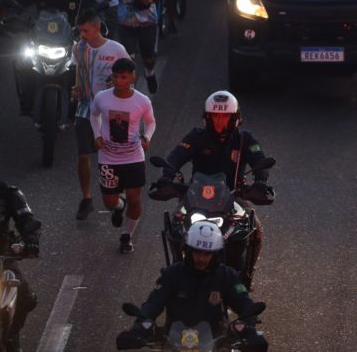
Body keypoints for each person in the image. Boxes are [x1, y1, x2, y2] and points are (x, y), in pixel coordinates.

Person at [158, 90, 274, 286]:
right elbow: (176, 156)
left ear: (235, 119)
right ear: (207, 118)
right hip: (195, 198)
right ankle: (175, 271)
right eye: (215, 116)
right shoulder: (196, 136)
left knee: (255, 229)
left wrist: (261, 182)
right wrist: (166, 177)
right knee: (175, 226)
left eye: (225, 117)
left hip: (233, 197)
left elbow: (260, 161)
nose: (219, 122)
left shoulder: (245, 139)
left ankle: (245, 277)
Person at [128, 221, 267, 349]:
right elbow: (153, 302)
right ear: (188, 251)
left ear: (216, 254)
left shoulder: (227, 276)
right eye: (197, 252)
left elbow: (244, 302)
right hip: (173, 341)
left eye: (207, 254)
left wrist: (249, 327)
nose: (201, 258)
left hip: (218, 342)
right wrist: (140, 326)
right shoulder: (172, 274)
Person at [89, 57, 156, 253]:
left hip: (134, 157)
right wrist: (97, 135)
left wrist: (147, 136)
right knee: (109, 202)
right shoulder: (102, 97)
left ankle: (126, 235)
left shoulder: (142, 101)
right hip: (108, 158)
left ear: (133, 78)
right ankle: (119, 206)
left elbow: (151, 122)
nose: (119, 81)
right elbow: (94, 115)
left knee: (135, 198)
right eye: (116, 77)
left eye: (123, 77)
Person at [71, 9, 130, 220]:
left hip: (112, 110)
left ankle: (118, 197)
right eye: (80, 31)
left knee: (114, 156)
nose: (82, 35)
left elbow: (131, 74)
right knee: (83, 156)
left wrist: (118, 83)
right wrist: (77, 87)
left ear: (96, 28)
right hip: (86, 108)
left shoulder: (116, 49)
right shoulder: (79, 48)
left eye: (85, 31)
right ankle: (86, 199)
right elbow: (79, 70)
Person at [0, 144, 41, 352]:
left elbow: (26, 219)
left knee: (26, 298)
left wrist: (31, 239)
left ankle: (11, 336)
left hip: (0, 257)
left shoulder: (8, 193)